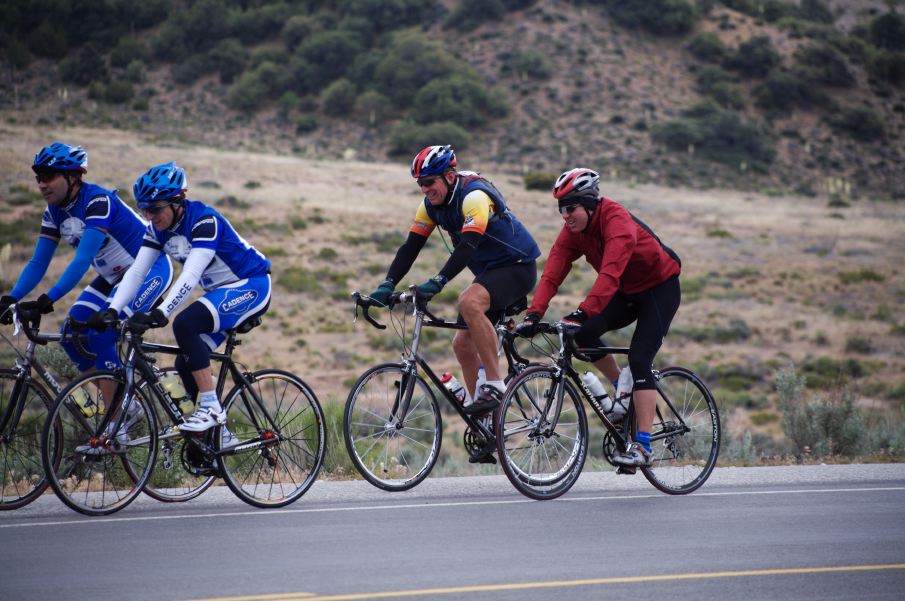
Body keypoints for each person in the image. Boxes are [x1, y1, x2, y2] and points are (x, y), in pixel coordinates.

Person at [515, 168, 682, 468]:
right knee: (582, 335)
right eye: (561, 209)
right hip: (626, 292)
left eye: (571, 207)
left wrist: (583, 311)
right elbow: (553, 271)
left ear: (590, 204)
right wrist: (534, 314)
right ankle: (622, 392)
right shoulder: (574, 232)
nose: (565, 215)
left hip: (660, 289)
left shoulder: (616, 221)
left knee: (640, 358)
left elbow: (610, 273)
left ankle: (643, 447)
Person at [92, 162, 271, 433]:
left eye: (155, 209)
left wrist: (162, 312)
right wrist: (114, 309)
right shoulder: (158, 230)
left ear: (177, 202)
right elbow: (138, 271)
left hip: (252, 285)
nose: (149, 216)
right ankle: (217, 436)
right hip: (221, 293)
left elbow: (190, 274)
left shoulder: (204, 221)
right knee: (185, 361)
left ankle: (211, 408)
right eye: (144, 209)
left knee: (184, 324)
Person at [369, 145, 540, 415]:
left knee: (468, 302)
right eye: (420, 184)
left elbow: (468, 245)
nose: (424, 189)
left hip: (517, 267)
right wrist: (387, 283)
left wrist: (438, 281)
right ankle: (482, 416)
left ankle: (495, 385)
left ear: (449, 177)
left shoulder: (474, 196)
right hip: (489, 274)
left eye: (428, 182)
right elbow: (411, 246)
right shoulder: (430, 206)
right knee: (461, 344)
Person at [0, 142, 173, 382]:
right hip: (114, 277)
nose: (41, 184)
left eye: (48, 176)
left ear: (72, 177)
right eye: (38, 177)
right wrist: (11, 298)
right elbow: (38, 263)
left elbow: (82, 260)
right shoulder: (53, 212)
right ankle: (109, 408)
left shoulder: (97, 202)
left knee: (101, 334)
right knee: (71, 335)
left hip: (151, 270)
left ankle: (121, 413)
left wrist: (47, 300)